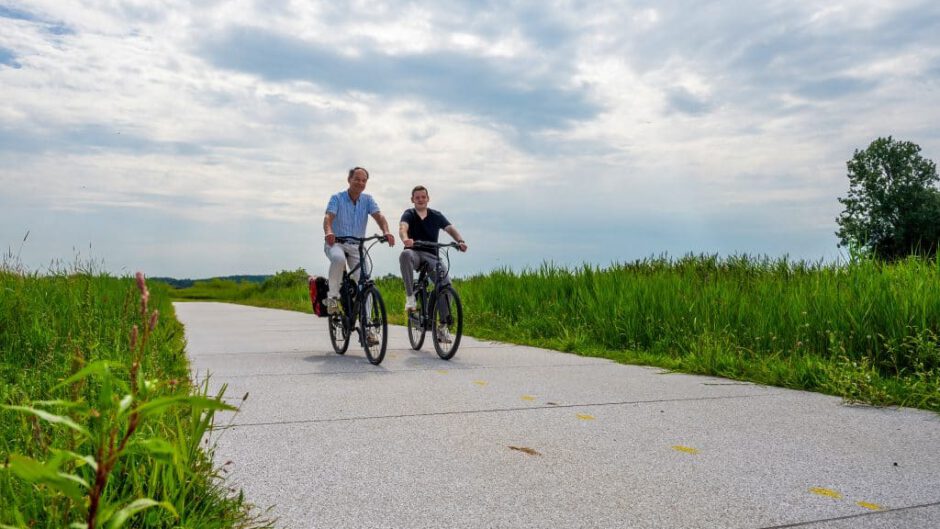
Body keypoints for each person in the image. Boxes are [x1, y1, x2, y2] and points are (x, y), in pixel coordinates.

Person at [323, 167, 396, 318]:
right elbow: (328, 218)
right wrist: (329, 232)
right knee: (338, 259)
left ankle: (368, 326)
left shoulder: (368, 200)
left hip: (357, 246)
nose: (360, 183)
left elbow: (379, 217)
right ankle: (333, 298)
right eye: (357, 179)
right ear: (349, 180)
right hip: (336, 242)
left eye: (364, 180)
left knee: (365, 283)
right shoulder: (337, 198)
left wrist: (386, 231)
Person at [399, 185, 467, 342]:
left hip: (432, 255)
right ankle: (410, 297)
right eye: (417, 198)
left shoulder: (436, 215)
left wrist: (460, 241)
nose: (421, 200)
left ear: (428, 198)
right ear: (412, 200)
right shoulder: (409, 214)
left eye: (423, 197)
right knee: (404, 255)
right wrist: (405, 239)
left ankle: (442, 326)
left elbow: (450, 228)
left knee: (446, 287)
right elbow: (403, 228)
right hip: (414, 252)